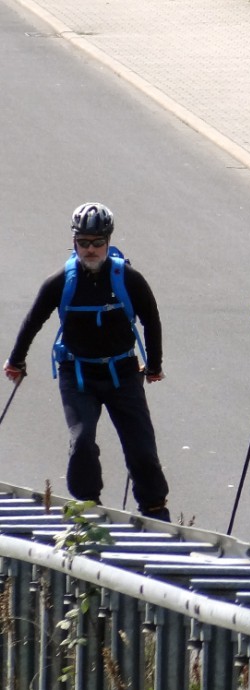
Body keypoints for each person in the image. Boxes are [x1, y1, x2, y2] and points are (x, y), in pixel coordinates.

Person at [3, 202, 171, 521]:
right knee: (81, 442)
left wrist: (154, 366)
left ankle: (154, 511)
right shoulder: (61, 282)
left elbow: (151, 319)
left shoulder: (128, 279)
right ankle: (87, 511)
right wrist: (16, 361)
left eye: (97, 242)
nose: (90, 250)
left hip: (122, 372)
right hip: (78, 374)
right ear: (74, 241)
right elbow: (33, 320)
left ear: (108, 241)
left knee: (142, 450)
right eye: (83, 242)